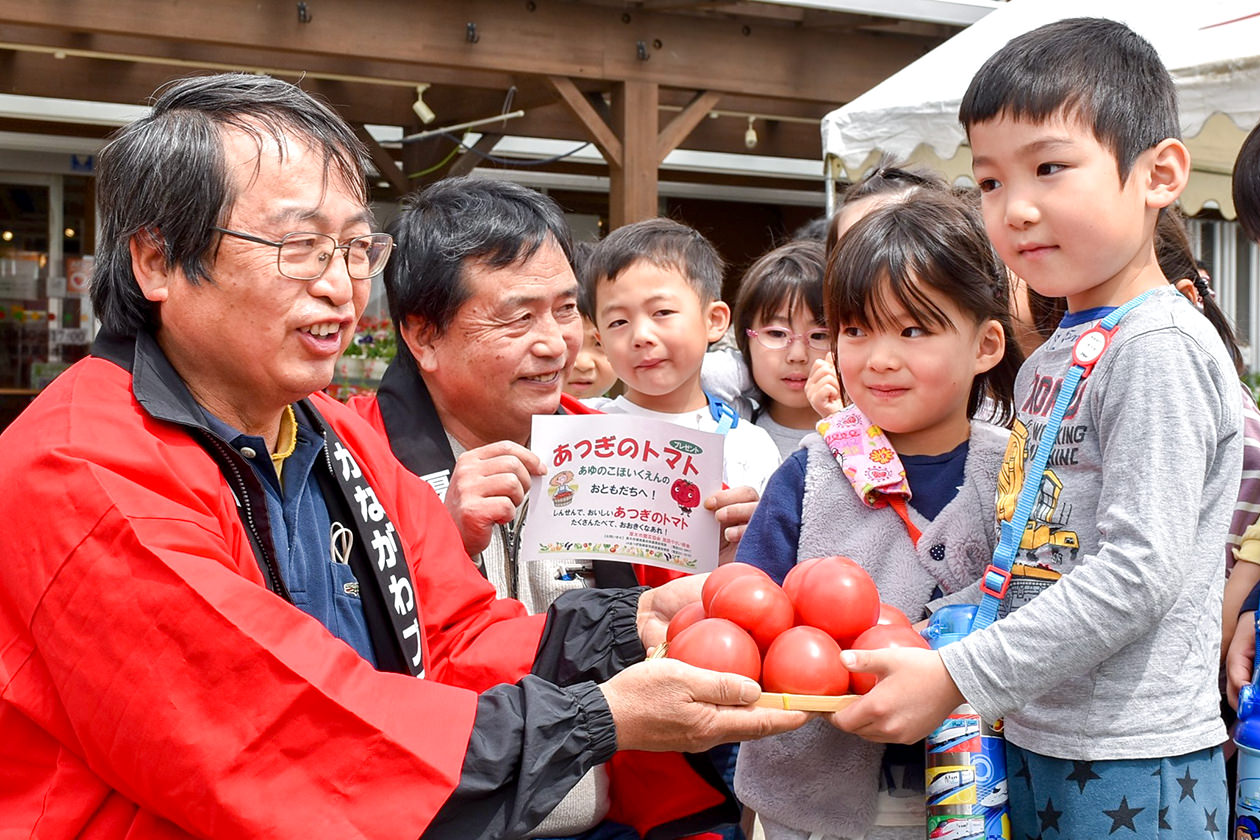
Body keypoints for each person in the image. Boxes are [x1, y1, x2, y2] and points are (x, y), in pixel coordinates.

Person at [0, 73, 811, 840]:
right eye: (299, 247)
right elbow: (285, 732)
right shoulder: (85, 466)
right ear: (157, 261)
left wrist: (632, 626)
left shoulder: (324, 430)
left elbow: (452, 629)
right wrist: (601, 717)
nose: (340, 287)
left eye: (356, 249)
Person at [835, 19, 1242, 838]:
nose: (1016, 209)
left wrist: (956, 675)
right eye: (988, 182)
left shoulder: (1156, 347)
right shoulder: (1060, 347)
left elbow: (1138, 573)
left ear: (1159, 173)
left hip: (1133, 753)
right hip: (1037, 725)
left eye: (1050, 168)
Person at [349, 176, 763, 839]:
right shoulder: (355, 461)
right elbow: (353, 674)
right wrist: (442, 535)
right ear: (422, 337)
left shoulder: (618, 448)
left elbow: (664, 630)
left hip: (626, 816)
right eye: (519, 317)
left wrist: (725, 569)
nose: (555, 344)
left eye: (566, 310)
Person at [732, 189, 1020, 840]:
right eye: (856, 330)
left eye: (913, 329)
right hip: (817, 806)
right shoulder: (811, 471)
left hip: (985, 793)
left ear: (987, 344)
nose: (879, 358)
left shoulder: (1018, 473)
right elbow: (754, 615)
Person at [582, 217, 783, 495]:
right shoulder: (580, 430)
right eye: (618, 322)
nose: (641, 336)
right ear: (601, 340)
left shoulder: (747, 448)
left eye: (662, 312)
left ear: (714, 320)